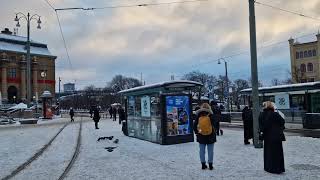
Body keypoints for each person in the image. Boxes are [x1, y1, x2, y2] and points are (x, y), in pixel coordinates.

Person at [259, 101, 285, 174]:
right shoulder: (276, 114)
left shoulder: (262, 115)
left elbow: (261, 127)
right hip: (277, 136)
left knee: (269, 153)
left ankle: (269, 167)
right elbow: (282, 122)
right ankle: (279, 168)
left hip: (268, 136)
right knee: (278, 153)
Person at [193, 103, 217, 170]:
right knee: (210, 151)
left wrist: (197, 133)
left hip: (201, 135)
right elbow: (215, 124)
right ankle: (210, 165)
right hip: (211, 136)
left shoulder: (198, 115)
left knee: (202, 151)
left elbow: (195, 126)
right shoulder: (211, 115)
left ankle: (203, 164)